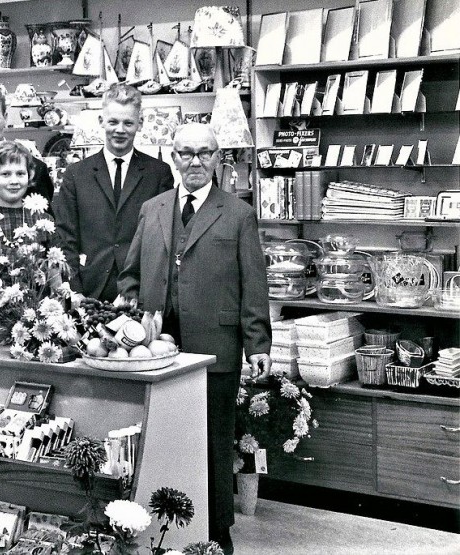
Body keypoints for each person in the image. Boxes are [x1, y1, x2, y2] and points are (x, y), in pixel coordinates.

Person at [118, 123, 272, 555]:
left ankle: (217, 531)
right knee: (163, 436)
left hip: (216, 345)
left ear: (217, 158)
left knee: (214, 441)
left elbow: (253, 284)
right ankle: (165, 529)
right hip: (155, 346)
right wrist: (129, 312)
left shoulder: (238, 213)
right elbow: (131, 274)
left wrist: (258, 344)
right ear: (173, 156)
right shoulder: (153, 208)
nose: (195, 162)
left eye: (204, 153)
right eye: (186, 153)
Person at [53, 82, 174, 302]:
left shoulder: (159, 173)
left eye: (128, 123)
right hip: (89, 291)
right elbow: (65, 237)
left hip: (140, 291)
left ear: (140, 123)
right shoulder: (76, 174)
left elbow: (162, 241)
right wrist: (74, 290)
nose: (120, 130)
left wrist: (149, 290)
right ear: (101, 121)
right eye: (113, 122)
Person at [0, 141, 53, 241]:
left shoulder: (43, 220)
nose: (14, 181)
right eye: (5, 174)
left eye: (20, 173)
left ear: (29, 175)